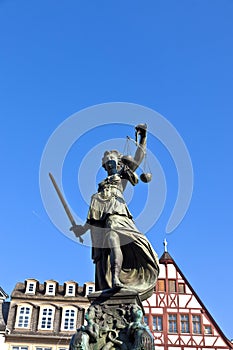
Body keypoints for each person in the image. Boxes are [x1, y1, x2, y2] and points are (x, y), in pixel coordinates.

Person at [70, 124, 159, 301]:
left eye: (112, 161)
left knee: (123, 239)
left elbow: (139, 157)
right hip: (104, 225)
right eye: (107, 162)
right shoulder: (99, 192)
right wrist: (81, 229)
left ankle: (120, 278)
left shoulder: (122, 177)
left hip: (120, 218)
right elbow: (93, 218)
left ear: (118, 163)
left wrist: (143, 138)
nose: (109, 164)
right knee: (108, 249)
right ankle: (114, 280)